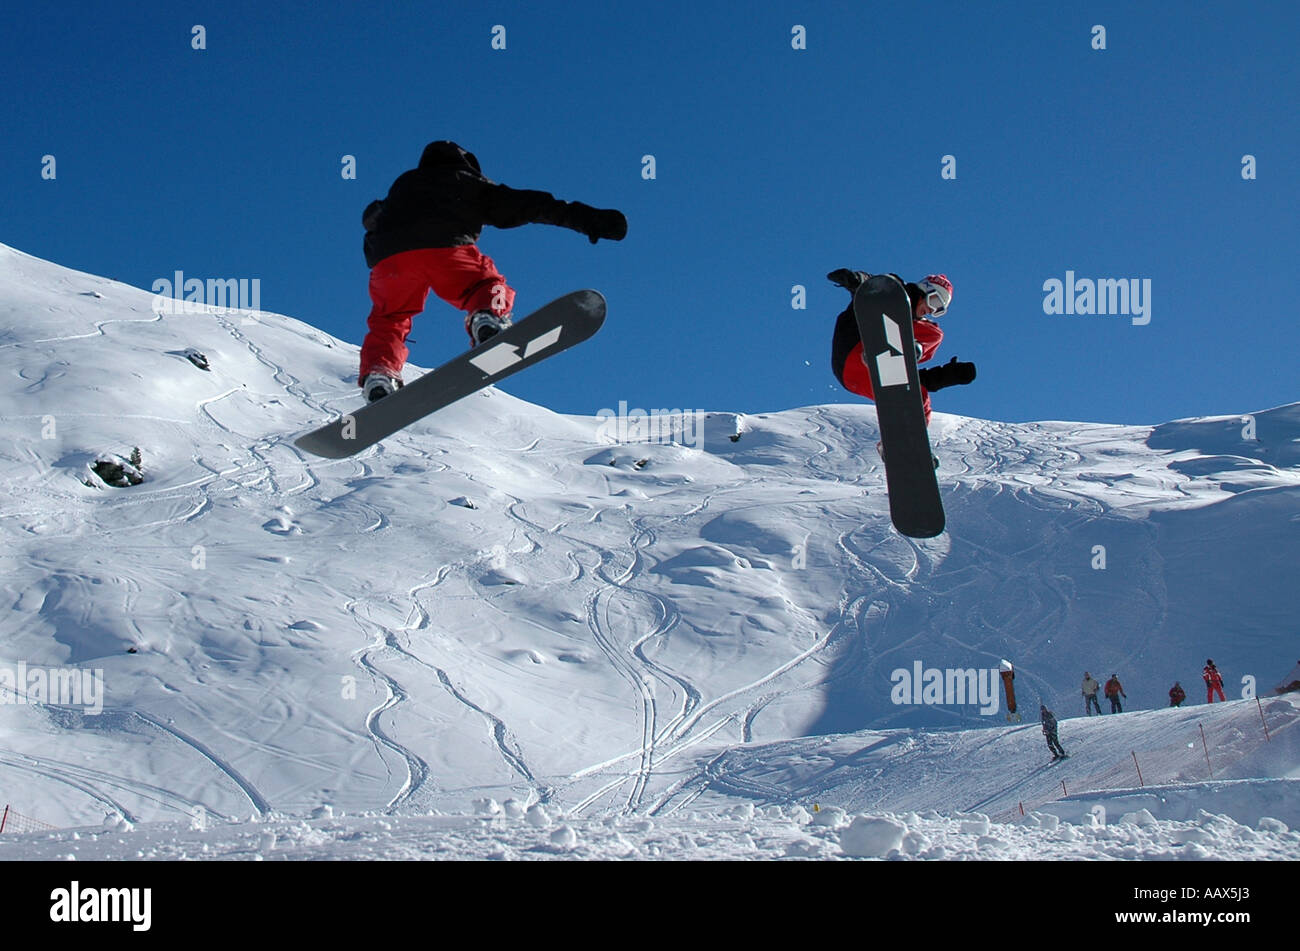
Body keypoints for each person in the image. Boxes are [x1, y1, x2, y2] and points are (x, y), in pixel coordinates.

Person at [356, 140, 627, 401]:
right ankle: (488, 317)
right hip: (446, 250)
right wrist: (590, 220)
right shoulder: (466, 182)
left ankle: (379, 374)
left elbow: (372, 222)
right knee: (489, 286)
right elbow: (533, 206)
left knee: (389, 319)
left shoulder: (400, 189)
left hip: (389, 264)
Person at [827, 269, 976, 434]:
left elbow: (908, 380)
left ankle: (903, 443)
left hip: (855, 375)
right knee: (933, 332)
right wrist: (855, 280)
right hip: (855, 343)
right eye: (933, 301)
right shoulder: (896, 291)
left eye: (938, 310)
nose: (931, 310)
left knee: (917, 397)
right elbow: (873, 283)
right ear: (924, 290)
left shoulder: (917, 327)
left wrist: (946, 376)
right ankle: (886, 348)